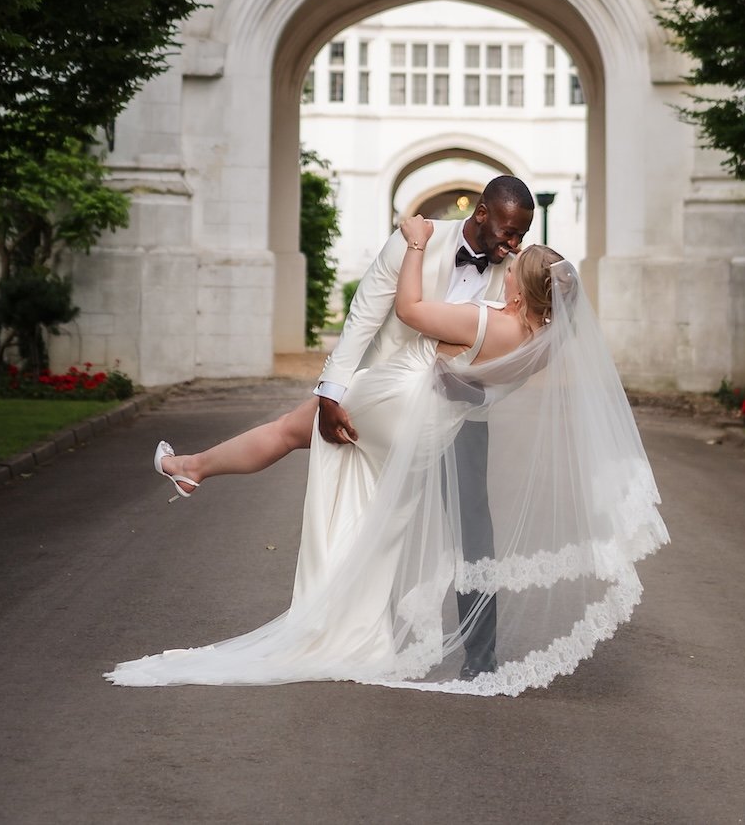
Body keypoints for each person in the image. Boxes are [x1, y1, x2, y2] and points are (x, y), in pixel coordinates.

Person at [110, 193, 666, 695]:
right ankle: (202, 476)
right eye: (509, 233)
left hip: (413, 400)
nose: (514, 246)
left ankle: (460, 652)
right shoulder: (541, 331)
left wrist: (461, 372)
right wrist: (335, 388)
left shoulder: (476, 283)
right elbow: (365, 319)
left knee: (438, 512)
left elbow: (413, 313)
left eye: (521, 240)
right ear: (481, 214)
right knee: (376, 509)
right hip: (425, 412)